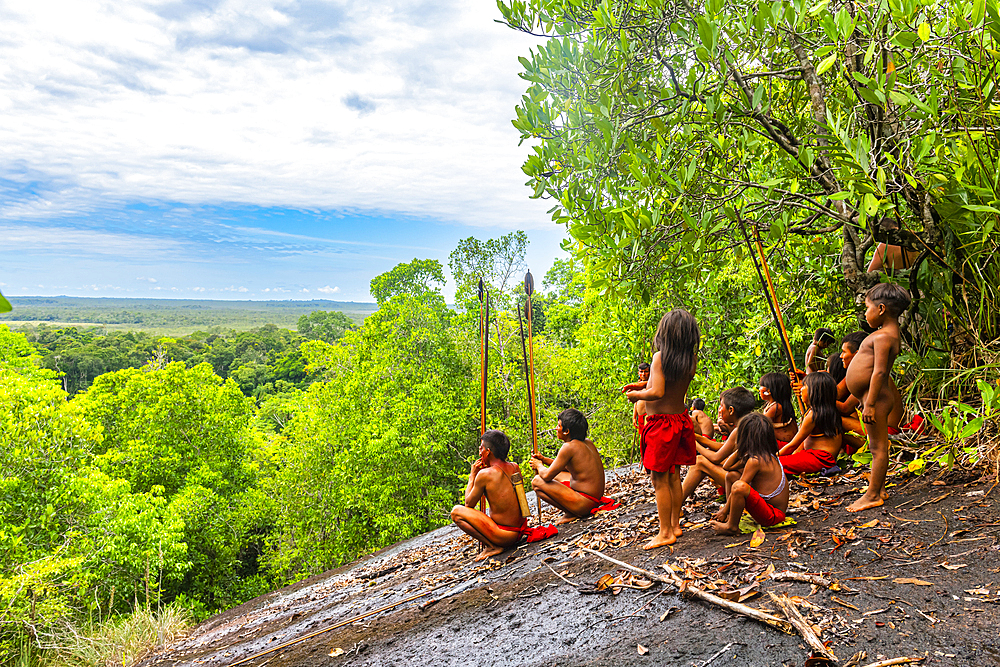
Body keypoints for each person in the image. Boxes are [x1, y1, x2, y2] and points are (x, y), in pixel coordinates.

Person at [624, 309, 700, 549]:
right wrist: (642, 384)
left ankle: (665, 531)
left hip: (661, 426)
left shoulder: (659, 358)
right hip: (680, 420)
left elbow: (656, 392)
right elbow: (667, 385)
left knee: (659, 479)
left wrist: (636, 394)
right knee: (674, 475)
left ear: (665, 334)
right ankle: (675, 524)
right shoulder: (689, 360)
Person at [846, 283, 911, 512]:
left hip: (877, 399)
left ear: (881, 309)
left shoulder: (884, 337)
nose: (866, 313)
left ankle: (873, 495)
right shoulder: (885, 334)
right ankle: (879, 487)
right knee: (877, 446)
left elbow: (880, 372)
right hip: (871, 397)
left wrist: (871, 404)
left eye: (867, 307)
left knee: (877, 448)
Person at [531, 408, 617, 524]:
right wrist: (544, 460)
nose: (556, 428)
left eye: (559, 425)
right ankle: (574, 509)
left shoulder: (568, 447)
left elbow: (546, 476)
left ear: (566, 431)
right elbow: (565, 467)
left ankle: (572, 512)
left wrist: (539, 465)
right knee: (560, 475)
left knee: (537, 481)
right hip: (593, 498)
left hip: (585, 503)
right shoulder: (587, 442)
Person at [451, 430, 527, 561]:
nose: (479, 452)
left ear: (488, 451)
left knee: (456, 512)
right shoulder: (515, 467)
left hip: (504, 536)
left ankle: (493, 546)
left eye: (481, 448)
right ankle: (494, 543)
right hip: (519, 532)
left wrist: (472, 475)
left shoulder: (485, 474)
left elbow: (468, 504)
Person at [709, 413, 790, 535]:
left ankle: (731, 526)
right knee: (732, 476)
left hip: (773, 516)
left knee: (739, 486)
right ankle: (731, 515)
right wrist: (741, 450)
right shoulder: (763, 455)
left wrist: (723, 511)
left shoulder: (756, 461)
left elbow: (739, 487)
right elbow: (727, 467)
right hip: (768, 508)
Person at [680, 387, 756, 502]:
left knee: (699, 462)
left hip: (747, 484)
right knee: (703, 461)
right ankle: (685, 495)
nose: (719, 409)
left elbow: (716, 458)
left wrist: (693, 443)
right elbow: (723, 447)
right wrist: (697, 437)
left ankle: (676, 505)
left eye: (721, 406)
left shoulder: (739, 430)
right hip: (747, 479)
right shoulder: (748, 425)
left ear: (731, 410)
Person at [778, 372, 844, 475]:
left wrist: (774, 457)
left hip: (820, 459)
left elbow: (793, 445)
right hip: (818, 458)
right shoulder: (825, 410)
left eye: (804, 386)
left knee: (776, 464)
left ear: (814, 392)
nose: (801, 389)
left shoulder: (814, 415)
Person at [759, 372, 798, 444]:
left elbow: (761, 425)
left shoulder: (776, 407)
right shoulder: (772, 404)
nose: (759, 389)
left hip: (782, 444)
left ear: (768, 391)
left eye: (762, 386)